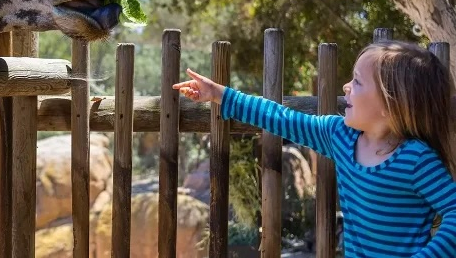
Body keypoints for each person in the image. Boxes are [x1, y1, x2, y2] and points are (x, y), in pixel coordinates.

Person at [173, 40, 456, 257]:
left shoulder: (417, 159)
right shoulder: (340, 136)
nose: (346, 86)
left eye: (357, 81)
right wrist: (220, 94)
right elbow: (280, 118)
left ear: (391, 104)